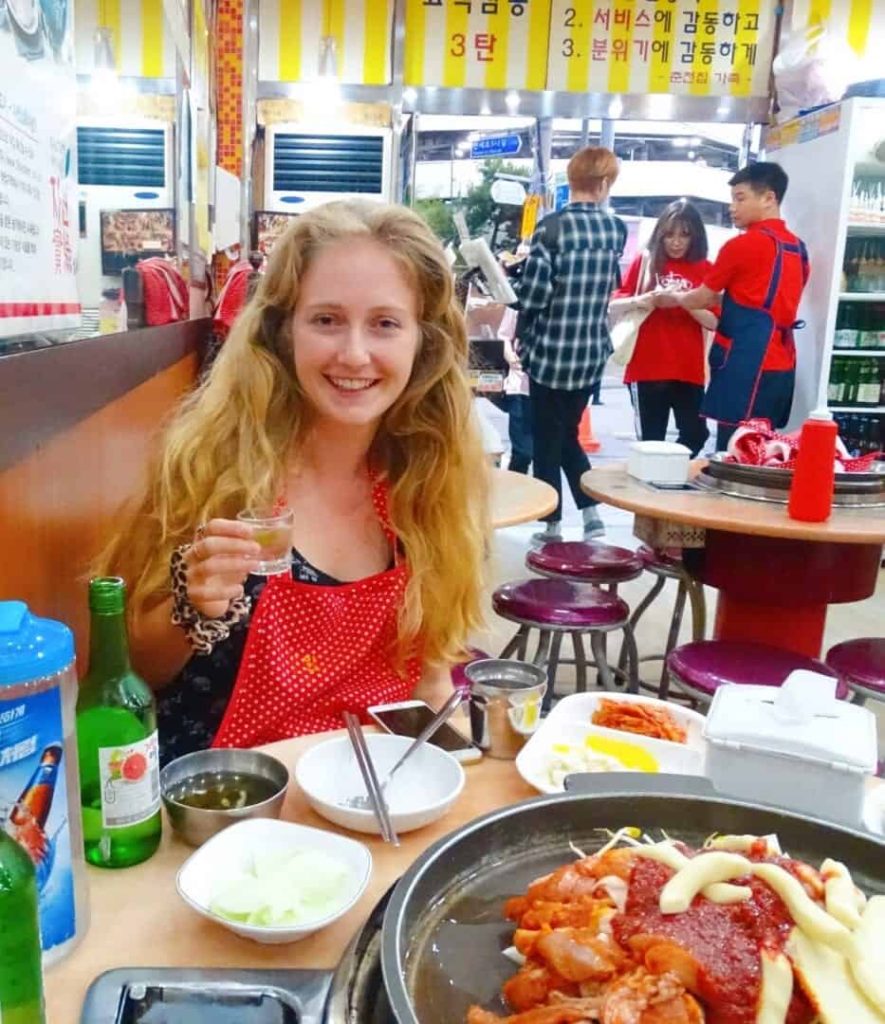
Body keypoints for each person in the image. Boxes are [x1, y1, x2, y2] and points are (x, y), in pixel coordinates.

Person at [95, 200, 489, 765]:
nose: (354, 354)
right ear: (283, 332)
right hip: (233, 804)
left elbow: (431, 684)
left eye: (385, 323)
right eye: (326, 320)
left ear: (422, 341)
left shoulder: (430, 481)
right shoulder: (211, 466)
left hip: (378, 792)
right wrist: (194, 609)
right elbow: (130, 672)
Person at [655, 162, 809, 452]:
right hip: (783, 362)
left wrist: (676, 296)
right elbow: (767, 300)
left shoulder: (742, 246)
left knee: (733, 451)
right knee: (765, 450)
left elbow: (699, 298)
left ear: (768, 198)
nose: (732, 207)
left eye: (740, 198)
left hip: (746, 363)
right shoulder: (798, 249)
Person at [517, 146, 627, 543]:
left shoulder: (552, 229)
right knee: (566, 434)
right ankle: (592, 514)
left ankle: (551, 524)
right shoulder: (616, 230)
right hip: (589, 354)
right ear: (603, 184)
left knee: (548, 437)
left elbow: (533, 298)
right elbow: (610, 285)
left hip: (549, 352)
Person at [610, 200, 718, 457]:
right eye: (669, 234)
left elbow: (714, 321)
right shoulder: (646, 262)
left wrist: (686, 300)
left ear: (696, 236)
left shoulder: (705, 268)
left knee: (696, 433)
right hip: (647, 366)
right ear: (660, 234)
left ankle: (671, 471)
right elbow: (614, 304)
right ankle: (652, 484)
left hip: (688, 369)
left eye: (684, 234)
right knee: (650, 441)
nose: (676, 242)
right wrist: (647, 300)